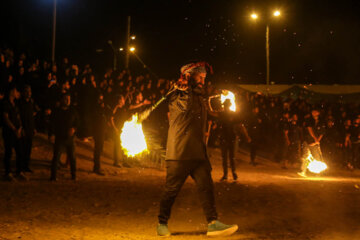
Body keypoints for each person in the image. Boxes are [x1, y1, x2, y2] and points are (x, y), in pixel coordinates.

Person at [157, 62, 238, 237]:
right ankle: (162, 223)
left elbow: (206, 108)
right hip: (179, 152)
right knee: (171, 190)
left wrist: (219, 101)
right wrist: (184, 88)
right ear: (189, 76)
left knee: (206, 187)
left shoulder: (199, 96)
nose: (202, 80)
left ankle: (213, 222)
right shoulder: (179, 94)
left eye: (204, 77)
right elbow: (186, 105)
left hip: (197, 152)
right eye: (199, 77)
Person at [50, 93, 79, 181]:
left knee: (72, 158)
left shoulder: (73, 111)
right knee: (56, 157)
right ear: (62, 100)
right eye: (66, 99)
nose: (67, 101)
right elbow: (52, 123)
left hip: (70, 138)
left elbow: (78, 122)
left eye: (69, 99)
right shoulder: (57, 111)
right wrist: (51, 134)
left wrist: (74, 128)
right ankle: (53, 176)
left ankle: (74, 176)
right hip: (60, 137)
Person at [2, 84, 26, 181]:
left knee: (19, 152)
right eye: (16, 91)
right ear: (12, 91)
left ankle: (19, 171)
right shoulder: (5, 103)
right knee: (8, 152)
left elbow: (18, 117)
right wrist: (14, 129)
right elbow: (5, 118)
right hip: (9, 131)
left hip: (17, 131)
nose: (17, 93)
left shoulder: (15, 104)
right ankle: (8, 173)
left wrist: (20, 128)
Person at [298, 109, 326, 177]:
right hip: (307, 141)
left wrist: (317, 141)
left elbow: (322, 133)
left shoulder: (321, 122)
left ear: (318, 113)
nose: (313, 112)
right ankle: (303, 171)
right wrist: (315, 139)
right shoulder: (309, 120)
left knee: (317, 157)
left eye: (315, 111)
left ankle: (318, 173)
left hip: (314, 143)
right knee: (305, 156)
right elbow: (309, 129)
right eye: (313, 111)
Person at [18, 85, 37, 173]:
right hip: (23, 129)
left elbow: (31, 117)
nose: (28, 93)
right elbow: (19, 117)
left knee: (28, 148)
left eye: (29, 91)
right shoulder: (20, 103)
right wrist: (21, 128)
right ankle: (20, 167)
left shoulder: (31, 102)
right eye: (26, 91)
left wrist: (33, 128)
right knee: (22, 149)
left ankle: (26, 166)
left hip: (30, 129)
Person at [92, 94, 109, 175]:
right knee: (98, 150)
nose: (102, 101)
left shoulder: (102, 109)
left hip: (102, 132)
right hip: (98, 132)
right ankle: (96, 168)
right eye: (100, 99)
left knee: (100, 149)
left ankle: (97, 167)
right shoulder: (96, 109)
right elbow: (96, 118)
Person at [111, 94, 129, 167]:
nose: (124, 100)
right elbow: (111, 118)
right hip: (117, 129)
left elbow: (124, 118)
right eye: (122, 99)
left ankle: (124, 161)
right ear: (119, 100)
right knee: (117, 145)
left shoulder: (123, 108)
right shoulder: (116, 108)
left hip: (123, 129)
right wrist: (115, 128)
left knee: (124, 145)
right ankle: (116, 162)